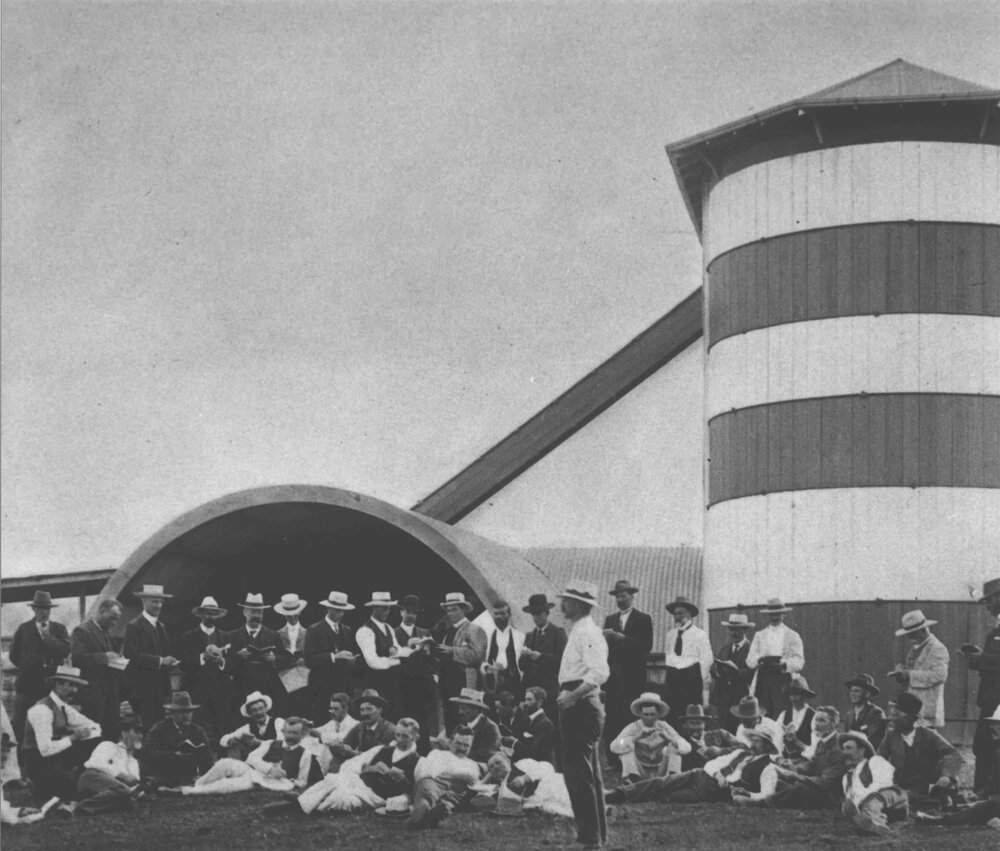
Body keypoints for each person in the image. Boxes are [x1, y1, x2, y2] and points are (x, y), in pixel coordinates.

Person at [278, 717, 424, 816]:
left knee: (341, 798)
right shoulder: (385, 750)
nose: (399, 739)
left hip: (376, 796)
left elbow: (413, 790)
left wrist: (402, 779)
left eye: (404, 736)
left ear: (415, 737)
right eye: (397, 735)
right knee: (333, 780)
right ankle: (302, 802)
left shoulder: (416, 761)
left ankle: (299, 806)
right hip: (362, 782)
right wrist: (377, 768)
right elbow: (364, 767)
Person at [557, 580, 610, 849]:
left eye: (566, 600)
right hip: (579, 701)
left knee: (579, 774)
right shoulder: (579, 630)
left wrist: (572, 696)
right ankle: (594, 836)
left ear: (578, 604)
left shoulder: (587, 632)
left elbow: (599, 672)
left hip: (580, 704)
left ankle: (591, 839)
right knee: (589, 773)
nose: (561, 604)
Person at [606, 726, 781, 805]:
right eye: (753, 740)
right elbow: (712, 764)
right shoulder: (741, 753)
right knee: (662, 782)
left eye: (757, 741)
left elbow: (767, 795)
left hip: (712, 792)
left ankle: (629, 797)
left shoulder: (768, 768)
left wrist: (747, 793)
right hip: (699, 775)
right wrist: (718, 774)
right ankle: (618, 794)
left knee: (667, 797)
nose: (753, 744)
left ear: (767, 746)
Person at [176, 716, 320, 795]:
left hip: (274, 782)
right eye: (289, 732)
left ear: (301, 735)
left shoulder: (304, 753)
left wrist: (288, 778)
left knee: (229, 784)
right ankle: (198, 784)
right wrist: (269, 768)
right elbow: (251, 758)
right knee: (224, 763)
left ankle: (187, 791)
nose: (292, 736)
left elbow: (302, 781)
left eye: (296, 733)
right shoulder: (271, 743)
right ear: (283, 732)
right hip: (255, 772)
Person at [20, 665, 102, 805]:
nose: (74, 691)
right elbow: (45, 750)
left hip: (57, 758)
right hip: (37, 762)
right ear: (58, 684)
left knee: (96, 743)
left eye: (76, 686)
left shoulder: (64, 707)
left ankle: (79, 777)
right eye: (70, 685)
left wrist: (75, 732)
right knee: (74, 792)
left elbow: (96, 727)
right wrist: (73, 737)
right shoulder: (42, 709)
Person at [741, 705, 845, 809]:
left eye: (822, 721)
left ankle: (763, 803)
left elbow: (826, 782)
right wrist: (794, 768)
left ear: (833, 724)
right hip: (816, 786)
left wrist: (796, 776)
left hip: (831, 796)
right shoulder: (823, 741)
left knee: (800, 787)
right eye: (816, 720)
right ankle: (752, 795)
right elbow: (812, 765)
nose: (817, 724)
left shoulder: (838, 747)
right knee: (779, 780)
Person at [876, 691, 962, 809]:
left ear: (912, 718)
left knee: (909, 797)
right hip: (902, 786)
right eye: (892, 717)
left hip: (926, 785)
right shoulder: (891, 736)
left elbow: (952, 754)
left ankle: (934, 799)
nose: (893, 720)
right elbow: (878, 760)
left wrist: (946, 776)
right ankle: (932, 801)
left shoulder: (928, 735)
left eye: (898, 716)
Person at [10, 590, 72, 745]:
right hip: (26, 687)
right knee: (19, 725)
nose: (45, 612)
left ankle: (46, 762)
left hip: (49, 688)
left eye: (48, 609)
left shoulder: (59, 629)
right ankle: (20, 763)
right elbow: (14, 655)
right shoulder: (23, 629)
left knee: (49, 726)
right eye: (41, 608)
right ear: (34, 609)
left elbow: (65, 651)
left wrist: (48, 638)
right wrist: (29, 666)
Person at [601, 580, 653, 768]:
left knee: (630, 718)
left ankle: (632, 758)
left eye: (623, 596)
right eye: (617, 596)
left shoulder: (643, 619)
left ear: (632, 596)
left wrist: (623, 639)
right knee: (613, 718)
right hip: (614, 679)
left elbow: (646, 647)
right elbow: (605, 652)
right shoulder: (610, 620)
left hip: (633, 679)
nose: (620, 599)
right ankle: (613, 759)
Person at [178, 596, 235, 744]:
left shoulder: (226, 637)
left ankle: (222, 759)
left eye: (214, 613)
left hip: (220, 689)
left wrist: (222, 661)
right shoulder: (189, 636)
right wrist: (202, 658)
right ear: (202, 614)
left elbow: (233, 663)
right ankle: (199, 759)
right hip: (198, 689)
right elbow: (183, 663)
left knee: (223, 727)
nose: (211, 616)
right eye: (208, 613)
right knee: (197, 726)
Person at [961, 576, 1000, 793]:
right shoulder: (997, 628)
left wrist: (978, 659)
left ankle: (986, 795)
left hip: (997, 703)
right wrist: (979, 655)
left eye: (990, 601)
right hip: (992, 700)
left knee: (988, 747)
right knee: (983, 747)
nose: (987, 607)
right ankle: (982, 794)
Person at [123, 584, 181, 731]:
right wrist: (161, 661)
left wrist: (170, 661)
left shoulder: (161, 626)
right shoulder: (133, 626)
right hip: (143, 687)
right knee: (148, 725)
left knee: (160, 724)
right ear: (144, 601)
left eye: (161, 602)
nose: (159, 605)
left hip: (160, 687)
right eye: (155, 601)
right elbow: (131, 654)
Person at [404, 725, 483, 831]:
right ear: (450, 742)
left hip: (454, 792)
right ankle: (425, 809)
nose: (462, 748)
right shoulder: (437, 754)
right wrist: (458, 775)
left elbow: (473, 783)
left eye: (466, 745)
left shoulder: (472, 765)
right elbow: (431, 773)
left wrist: (451, 775)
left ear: (471, 747)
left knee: (450, 799)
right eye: (458, 743)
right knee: (428, 787)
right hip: (433, 785)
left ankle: (421, 817)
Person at [71, 598, 126, 742]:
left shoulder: (105, 631)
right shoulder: (82, 631)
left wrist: (117, 660)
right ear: (102, 612)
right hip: (93, 694)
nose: (114, 623)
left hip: (110, 693)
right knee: (93, 734)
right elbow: (77, 659)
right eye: (112, 618)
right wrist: (105, 657)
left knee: (110, 732)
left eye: (117, 619)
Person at [839, 731, 908, 837]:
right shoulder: (846, 778)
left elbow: (883, 784)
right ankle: (871, 822)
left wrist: (859, 802)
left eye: (848, 748)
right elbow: (851, 800)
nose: (844, 752)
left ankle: (873, 820)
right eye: (843, 748)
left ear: (861, 751)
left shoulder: (875, 761)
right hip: (874, 809)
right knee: (855, 806)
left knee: (874, 798)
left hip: (894, 801)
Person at [436, 592, 488, 730]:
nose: (451, 613)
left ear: (464, 609)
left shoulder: (474, 630)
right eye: (448, 610)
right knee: (449, 718)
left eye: (455, 609)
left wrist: (453, 651)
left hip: (464, 682)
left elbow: (477, 656)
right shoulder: (447, 632)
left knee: (464, 718)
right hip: (447, 682)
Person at [888, 609, 949, 729]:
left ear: (923, 630)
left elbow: (940, 675)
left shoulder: (937, 648)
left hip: (927, 708)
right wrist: (902, 672)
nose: (909, 636)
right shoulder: (917, 647)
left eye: (912, 633)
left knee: (926, 742)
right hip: (914, 707)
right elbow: (917, 670)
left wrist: (909, 675)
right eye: (908, 633)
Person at [610, 691, 690, 782]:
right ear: (640, 713)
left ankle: (674, 780)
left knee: (674, 746)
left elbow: (687, 747)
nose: (649, 718)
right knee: (627, 747)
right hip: (639, 769)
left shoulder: (664, 726)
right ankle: (631, 782)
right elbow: (614, 746)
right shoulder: (633, 727)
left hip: (660, 769)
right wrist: (635, 737)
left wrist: (669, 738)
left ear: (658, 713)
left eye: (652, 714)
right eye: (646, 714)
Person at [225, 592, 288, 706]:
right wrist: (238, 656)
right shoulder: (232, 636)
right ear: (245, 612)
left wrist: (274, 658)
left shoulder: (273, 635)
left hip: (268, 690)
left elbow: (285, 660)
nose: (256, 615)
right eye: (252, 611)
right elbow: (225, 664)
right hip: (240, 690)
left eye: (259, 612)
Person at [304, 591, 357, 725]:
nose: (341, 614)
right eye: (338, 611)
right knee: (323, 723)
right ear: (328, 608)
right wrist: (333, 657)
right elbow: (309, 660)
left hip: (343, 686)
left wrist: (351, 661)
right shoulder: (314, 630)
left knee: (344, 724)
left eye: (343, 611)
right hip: (322, 687)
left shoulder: (347, 630)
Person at [395, 594, 440, 751]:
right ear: (401, 612)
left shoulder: (424, 632)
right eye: (408, 612)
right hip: (403, 685)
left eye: (414, 613)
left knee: (422, 725)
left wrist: (428, 653)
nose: (412, 616)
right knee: (404, 722)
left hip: (422, 687)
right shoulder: (393, 634)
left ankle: (423, 754)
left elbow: (435, 659)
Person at [141, 691, 214, 788]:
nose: (186, 716)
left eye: (189, 712)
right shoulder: (159, 729)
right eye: (182, 712)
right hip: (164, 776)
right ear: (173, 713)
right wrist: (173, 755)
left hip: (189, 779)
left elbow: (208, 758)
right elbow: (147, 754)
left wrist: (205, 777)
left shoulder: (198, 731)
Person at [746, 598, 804, 719]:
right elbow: (750, 659)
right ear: (768, 615)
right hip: (764, 679)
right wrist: (758, 660)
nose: (775, 617)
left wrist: (785, 664)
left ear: (784, 614)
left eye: (778, 614)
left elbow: (799, 661)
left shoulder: (793, 635)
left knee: (782, 714)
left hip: (783, 680)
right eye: (772, 614)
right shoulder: (760, 635)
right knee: (763, 714)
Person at [662, 596, 712, 730]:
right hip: (673, 679)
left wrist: (699, 683)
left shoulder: (699, 634)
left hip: (691, 678)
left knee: (691, 714)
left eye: (681, 613)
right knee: (673, 714)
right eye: (675, 614)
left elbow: (706, 660)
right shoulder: (671, 635)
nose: (677, 617)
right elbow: (668, 655)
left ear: (689, 614)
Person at [76, 718, 145, 815]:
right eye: (137, 732)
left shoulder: (133, 761)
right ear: (124, 733)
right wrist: (121, 775)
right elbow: (96, 764)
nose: (140, 736)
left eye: (141, 733)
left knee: (130, 802)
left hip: (111, 790)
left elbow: (133, 784)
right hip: (92, 778)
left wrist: (139, 789)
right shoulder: (108, 745)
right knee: (123, 790)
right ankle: (77, 807)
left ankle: (87, 806)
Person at [355, 591, 405, 720]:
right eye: (383, 608)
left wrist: (395, 651)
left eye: (388, 608)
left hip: (392, 682)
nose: (387, 612)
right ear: (374, 608)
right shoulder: (365, 630)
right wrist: (393, 660)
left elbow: (398, 650)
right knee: (376, 719)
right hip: (374, 683)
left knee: (393, 717)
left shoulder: (389, 628)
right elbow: (373, 661)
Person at [520, 593, 568, 725]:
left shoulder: (558, 633)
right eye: (534, 614)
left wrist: (541, 656)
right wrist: (524, 657)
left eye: (540, 614)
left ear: (547, 613)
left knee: (549, 722)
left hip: (549, 688)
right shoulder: (529, 636)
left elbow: (563, 660)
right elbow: (522, 666)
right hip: (530, 689)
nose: (537, 618)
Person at [710, 611, 755, 733]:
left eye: (737, 630)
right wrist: (715, 671)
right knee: (723, 731)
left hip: (741, 699)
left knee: (740, 731)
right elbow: (715, 667)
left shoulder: (751, 650)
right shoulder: (725, 649)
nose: (733, 633)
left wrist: (736, 672)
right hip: (724, 699)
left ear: (745, 630)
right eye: (731, 630)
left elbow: (752, 672)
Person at [477, 600, 525, 699]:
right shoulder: (487, 636)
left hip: (513, 684)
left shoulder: (520, 637)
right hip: (492, 685)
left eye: (503, 613)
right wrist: (488, 668)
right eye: (496, 614)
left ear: (509, 615)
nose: (499, 617)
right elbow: (480, 661)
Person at [330, 689, 396, 762]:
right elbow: (345, 743)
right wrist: (340, 747)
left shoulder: (390, 730)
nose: (365, 713)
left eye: (369, 709)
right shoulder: (360, 727)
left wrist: (353, 753)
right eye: (362, 710)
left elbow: (378, 757)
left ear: (379, 710)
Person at [274, 593, 311, 718]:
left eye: (295, 614)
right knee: (287, 711)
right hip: (284, 678)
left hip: (304, 677)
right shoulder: (277, 634)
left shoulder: (309, 633)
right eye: (289, 614)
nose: (292, 617)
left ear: (299, 613)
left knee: (303, 710)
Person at [220, 690, 285, 760]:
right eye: (254, 710)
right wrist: (230, 740)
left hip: (280, 759)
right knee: (235, 743)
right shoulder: (249, 728)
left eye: (261, 708)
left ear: (266, 708)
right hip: (260, 762)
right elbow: (223, 740)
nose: (259, 712)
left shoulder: (278, 722)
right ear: (249, 714)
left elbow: (282, 743)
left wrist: (259, 743)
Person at [444, 688, 500, 762]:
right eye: (459, 708)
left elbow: (487, 754)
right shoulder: (461, 726)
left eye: (464, 708)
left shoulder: (491, 728)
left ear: (476, 709)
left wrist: (458, 752)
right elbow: (451, 744)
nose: (460, 712)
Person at [512, 687, 556, 764]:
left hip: (542, 769)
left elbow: (535, 752)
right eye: (525, 699)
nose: (525, 703)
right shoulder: (528, 720)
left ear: (539, 702)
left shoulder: (545, 724)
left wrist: (515, 742)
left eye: (529, 700)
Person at [844, 673, 887, 750]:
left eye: (856, 691)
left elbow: (872, 742)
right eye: (851, 691)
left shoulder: (876, 713)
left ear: (867, 694)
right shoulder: (849, 714)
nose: (852, 694)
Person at [776, 675, 815, 756]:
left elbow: (815, 749)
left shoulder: (814, 716)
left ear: (804, 696)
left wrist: (796, 742)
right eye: (791, 694)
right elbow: (777, 741)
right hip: (786, 759)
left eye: (797, 694)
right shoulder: (783, 715)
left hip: (806, 760)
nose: (794, 698)